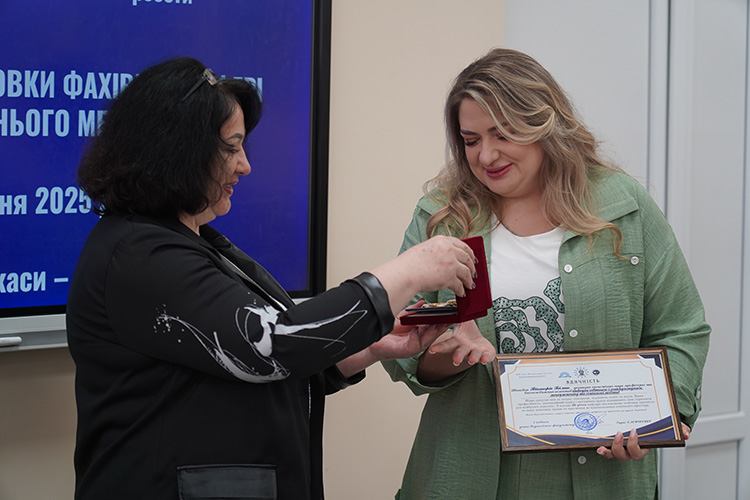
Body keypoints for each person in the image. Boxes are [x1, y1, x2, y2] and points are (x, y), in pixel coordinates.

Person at [65, 56, 479, 500]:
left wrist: (371, 347)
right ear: (179, 150)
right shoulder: (139, 255)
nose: (244, 165)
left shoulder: (193, 244)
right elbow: (272, 343)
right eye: (231, 147)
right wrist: (408, 271)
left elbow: (271, 364)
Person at [382, 48, 710, 499]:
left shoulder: (624, 205)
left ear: (543, 123)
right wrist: (448, 353)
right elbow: (402, 352)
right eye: (471, 140)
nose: (486, 155)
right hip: (470, 473)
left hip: (602, 479)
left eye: (503, 133)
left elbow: (682, 328)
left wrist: (656, 417)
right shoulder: (443, 217)